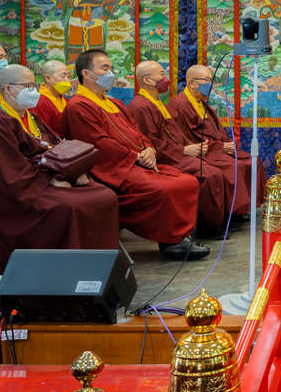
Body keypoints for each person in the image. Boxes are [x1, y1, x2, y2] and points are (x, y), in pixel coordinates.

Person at [0, 65, 121, 273]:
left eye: (34, 85)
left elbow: (56, 147)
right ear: (8, 89)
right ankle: (69, 271)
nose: (33, 91)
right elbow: (9, 171)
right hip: (18, 191)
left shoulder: (31, 117)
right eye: (27, 86)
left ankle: (101, 268)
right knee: (70, 205)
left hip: (45, 176)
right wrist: (49, 180)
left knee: (105, 196)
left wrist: (73, 171)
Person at [62, 50, 208, 260]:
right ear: (87, 73)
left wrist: (149, 149)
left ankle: (178, 239)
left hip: (137, 162)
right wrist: (136, 157)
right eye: (105, 68)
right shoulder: (79, 105)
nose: (111, 72)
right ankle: (172, 241)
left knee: (187, 181)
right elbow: (99, 144)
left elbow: (137, 131)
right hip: (115, 169)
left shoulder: (114, 103)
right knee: (165, 188)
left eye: (111, 67)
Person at [128, 60, 234, 236]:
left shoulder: (156, 102)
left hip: (177, 153)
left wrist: (190, 146)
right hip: (166, 158)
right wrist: (183, 151)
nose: (166, 79)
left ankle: (220, 219)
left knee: (215, 170)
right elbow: (150, 142)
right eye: (162, 74)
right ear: (147, 80)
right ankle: (207, 227)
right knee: (209, 174)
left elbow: (174, 132)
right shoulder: (140, 106)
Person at [169, 64, 256, 219]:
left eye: (211, 80)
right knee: (233, 167)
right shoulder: (180, 104)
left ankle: (238, 209)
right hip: (201, 151)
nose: (210, 84)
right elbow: (190, 137)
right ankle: (228, 213)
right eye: (207, 80)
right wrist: (221, 147)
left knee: (249, 162)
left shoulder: (200, 102)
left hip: (213, 147)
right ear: (192, 83)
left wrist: (227, 143)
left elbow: (216, 128)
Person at [31, 59, 75, 135]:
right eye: (63, 76)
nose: (67, 80)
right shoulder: (39, 102)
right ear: (48, 78)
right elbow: (42, 133)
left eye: (68, 76)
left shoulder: (63, 99)